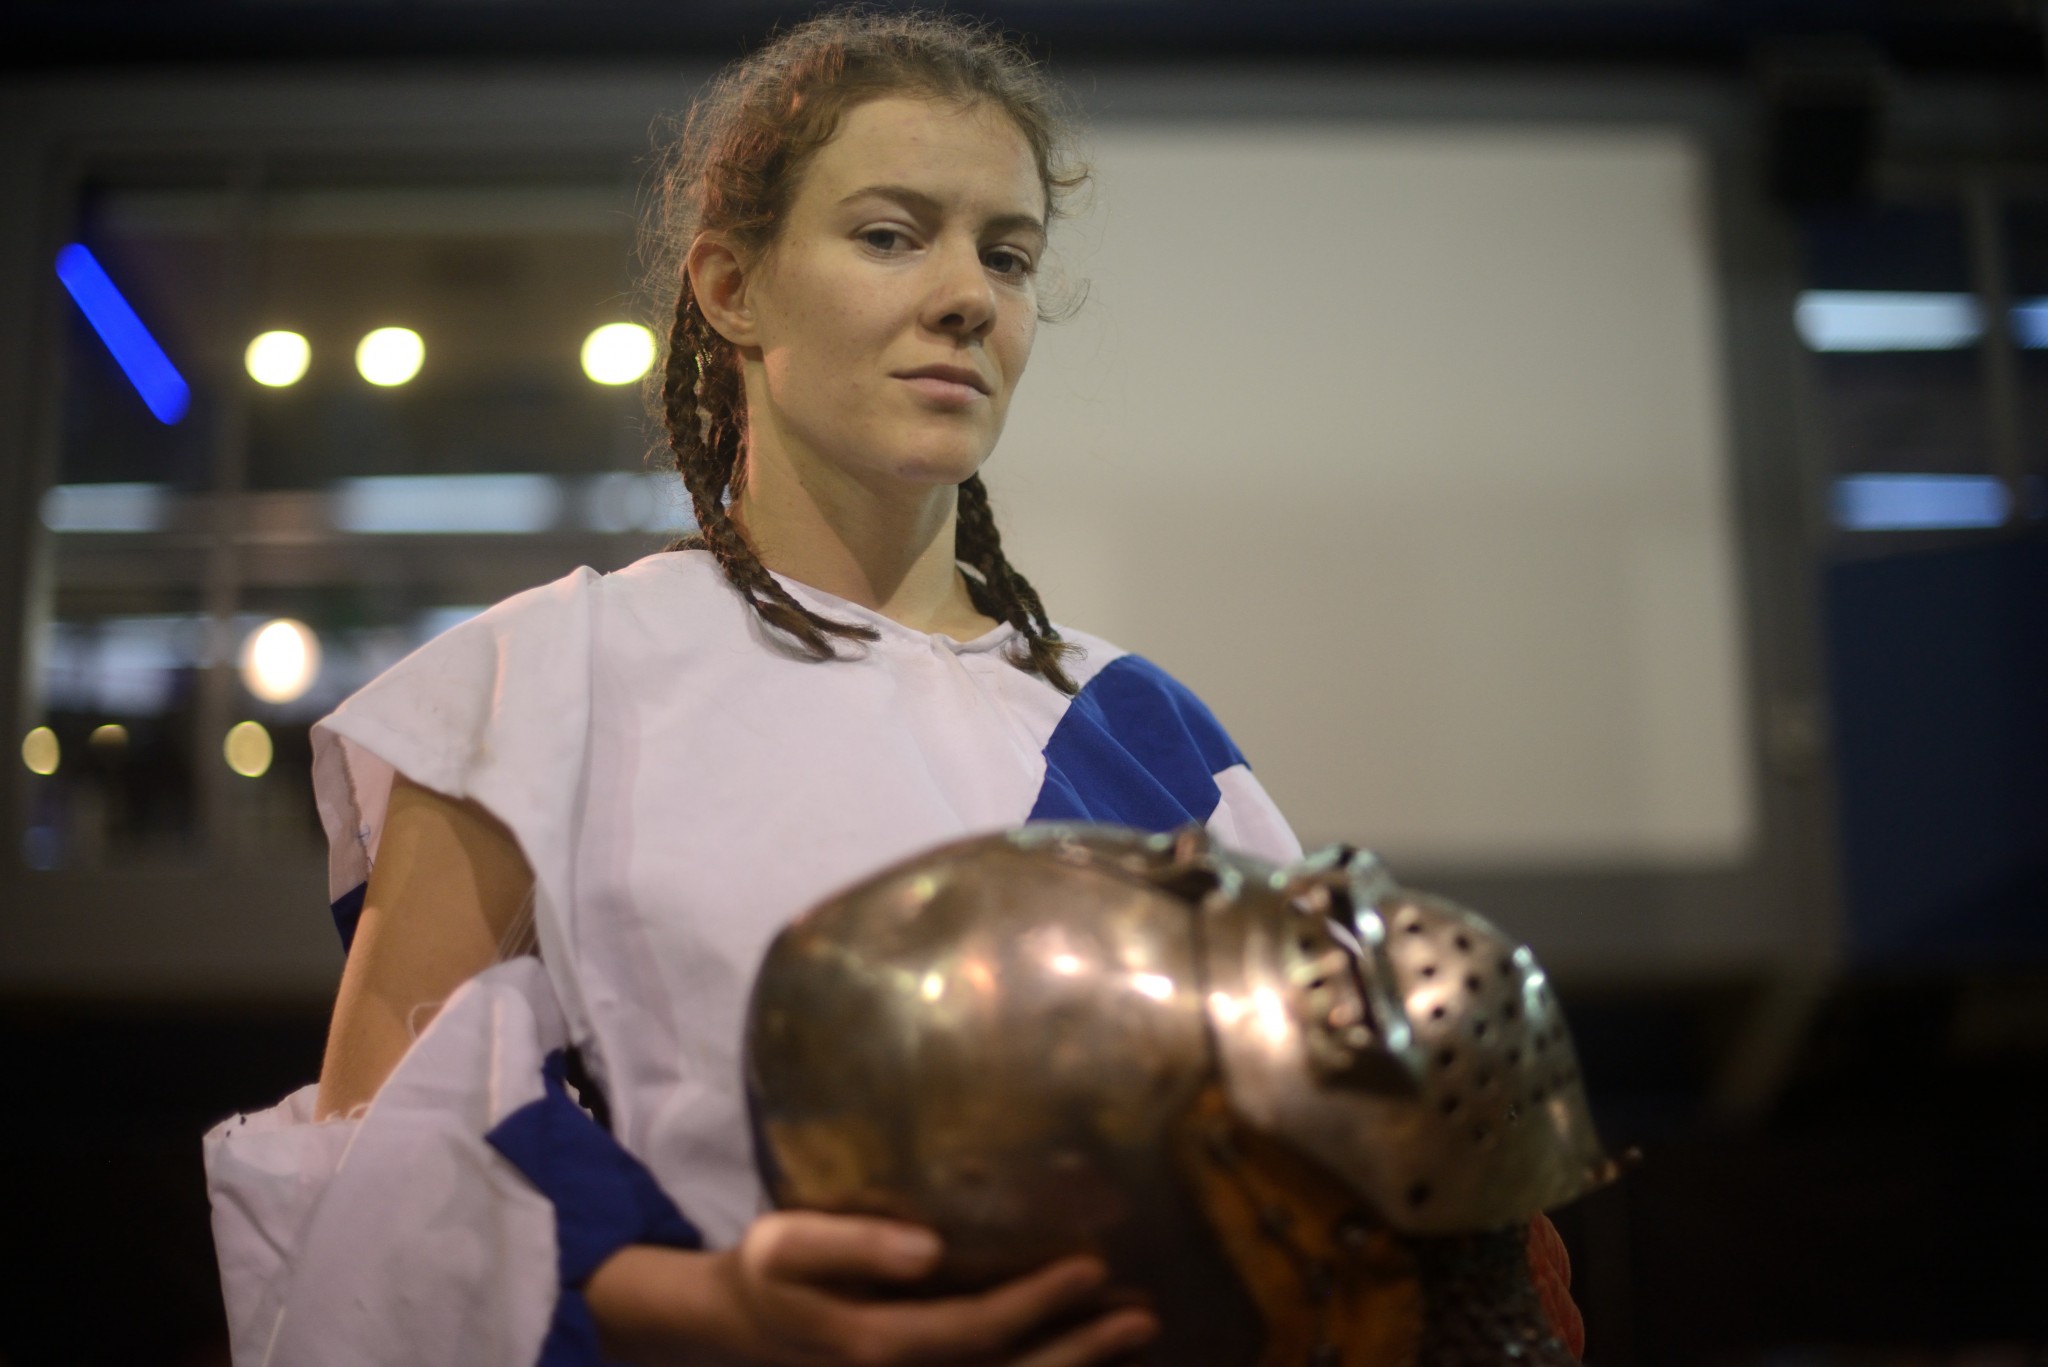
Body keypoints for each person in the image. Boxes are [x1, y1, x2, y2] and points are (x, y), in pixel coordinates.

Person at [204, 11, 1305, 1367]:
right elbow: (372, 1179)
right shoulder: (539, 682)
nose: (967, 294)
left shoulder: (1145, 726)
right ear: (733, 289)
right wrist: (722, 1310)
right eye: (891, 235)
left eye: (1007, 255)